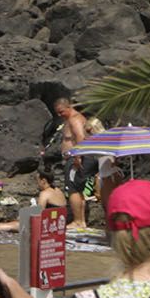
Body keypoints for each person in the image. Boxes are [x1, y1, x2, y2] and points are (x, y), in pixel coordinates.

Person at [52, 96, 96, 228]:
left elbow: (80, 138)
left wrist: (77, 156)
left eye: (61, 111)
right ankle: (81, 221)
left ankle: (78, 221)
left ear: (69, 107)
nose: (60, 115)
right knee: (78, 188)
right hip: (77, 157)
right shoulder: (72, 119)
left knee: (73, 189)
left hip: (77, 158)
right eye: (58, 113)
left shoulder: (75, 119)